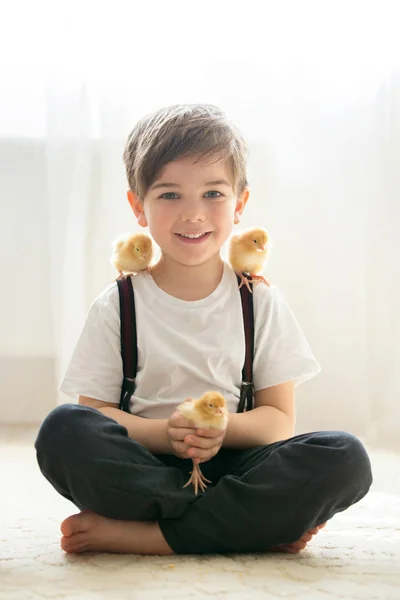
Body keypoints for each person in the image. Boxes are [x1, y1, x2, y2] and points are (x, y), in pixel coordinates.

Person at [35, 104, 372, 555]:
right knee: (63, 430)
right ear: (139, 206)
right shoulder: (120, 303)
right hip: (146, 466)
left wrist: (221, 431)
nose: (193, 214)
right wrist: (165, 434)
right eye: (170, 195)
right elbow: (95, 414)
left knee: (344, 457)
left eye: (213, 194)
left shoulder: (260, 301)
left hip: (235, 465)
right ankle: (244, 525)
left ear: (240, 204)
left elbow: (277, 422)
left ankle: (151, 536)